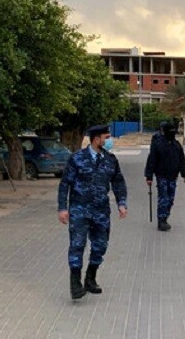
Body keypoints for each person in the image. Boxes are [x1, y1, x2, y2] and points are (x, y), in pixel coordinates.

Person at [57, 124, 127, 300]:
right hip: (79, 209)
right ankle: (75, 284)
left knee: (100, 246)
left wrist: (122, 203)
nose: (109, 140)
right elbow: (65, 184)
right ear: (97, 139)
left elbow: (118, 182)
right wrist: (63, 208)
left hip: (101, 211)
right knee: (77, 246)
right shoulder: (77, 158)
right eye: (107, 137)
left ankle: (90, 278)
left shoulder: (110, 159)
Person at [144, 120, 185, 231]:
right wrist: (149, 176)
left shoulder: (177, 145)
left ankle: (165, 216)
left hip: (173, 176)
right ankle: (161, 220)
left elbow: (182, 160)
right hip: (161, 176)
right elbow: (152, 160)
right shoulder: (158, 144)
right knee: (163, 198)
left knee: (170, 199)